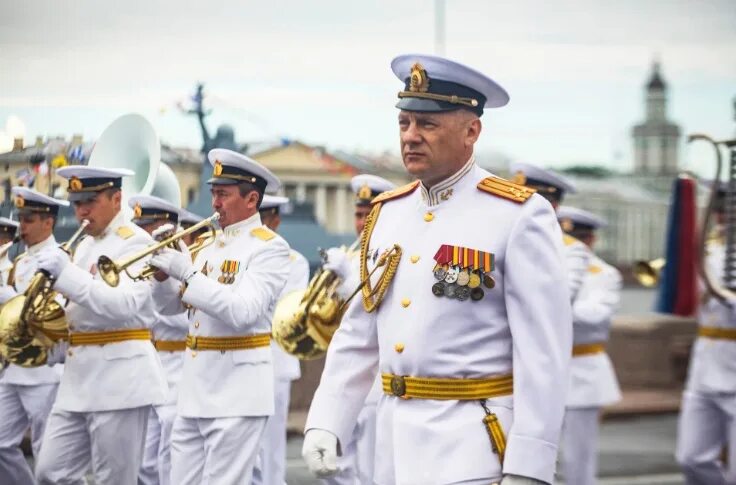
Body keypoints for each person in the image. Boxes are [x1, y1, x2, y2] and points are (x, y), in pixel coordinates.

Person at [302, 54, 572, 485]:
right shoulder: (387, 214)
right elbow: (359, 333)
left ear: (471, 130)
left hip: (472, 448)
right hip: (390, 449)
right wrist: (327, 418)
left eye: (428, 124)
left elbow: (543, 352)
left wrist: (530, 463)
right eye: (405, 123)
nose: (411, 137)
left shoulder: (518, 215)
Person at [149, 149, 291, 484]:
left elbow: (243, 312)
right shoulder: (209, 246)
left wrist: (187, 273)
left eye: (223, 195)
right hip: (195, 390)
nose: (214, 203)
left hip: (237, 394)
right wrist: (162, 279)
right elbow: (172, 310)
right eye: (214, 193)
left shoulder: (269, 247)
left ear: (252, 199)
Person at [33, 166, 168, 485]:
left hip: (121, 381)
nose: (82, 211)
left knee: (115, 479)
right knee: (50, 473)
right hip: (78, 381)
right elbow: (81, 311)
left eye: (90, 202)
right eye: (77, 203)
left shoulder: (136, 242)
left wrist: (66, 276)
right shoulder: (83, 245)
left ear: (117, 198)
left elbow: (124, 305)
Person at [319, 173, 396, 485]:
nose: (362, 222)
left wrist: (346, 277)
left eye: (369, 214)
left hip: (377, 381)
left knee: (370, 470)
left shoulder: (392, 255)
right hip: (345, 377)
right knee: (335, 468)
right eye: (358, 214)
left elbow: (375, 304)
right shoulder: (350, 257)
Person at [0, 188, 66, 484]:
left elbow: (52, 312)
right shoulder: (20, 262)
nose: (21, 227)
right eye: (21, 219)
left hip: (43, 370)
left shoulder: (60, 258)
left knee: (45, 450)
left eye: (28, 220)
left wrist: (6, 296)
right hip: (15, 369)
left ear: (47, 223)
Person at [556, 206, 622, 485]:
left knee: (577, 462)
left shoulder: (605, 274)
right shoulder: (552, 267)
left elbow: (594, 316)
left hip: (582, 372)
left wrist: (550, 308)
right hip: (545, 370)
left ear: (591, 241)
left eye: (579, 239)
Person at [676, 185, 736, 485]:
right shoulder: (708, 250)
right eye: (720, 212)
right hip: (705, 364)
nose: (724, 217)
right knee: (691, 458)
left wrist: (730, 298)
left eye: (729, 212)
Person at [129, 195, 189, 485]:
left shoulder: (186, 261)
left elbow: (182, 317)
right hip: (149, 364)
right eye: (138, 226)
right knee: (144, 460)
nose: (141, 234)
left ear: (165, 227)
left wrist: (163, 280)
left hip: (179, 363)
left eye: (147, 227)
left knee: (169, 454)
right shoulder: (139, 263)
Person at [252, 194, 310, 485]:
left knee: (271, 444)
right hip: (241, 360)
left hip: (275, 358)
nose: (258, 224)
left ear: (276, 219)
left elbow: (285, 309)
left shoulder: (293, 261)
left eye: (264, 217)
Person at [507, 162, 591, 301]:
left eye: (524, 200)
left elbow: (561, 296)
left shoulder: (571, 249)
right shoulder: (498, 232)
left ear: (551, 206)